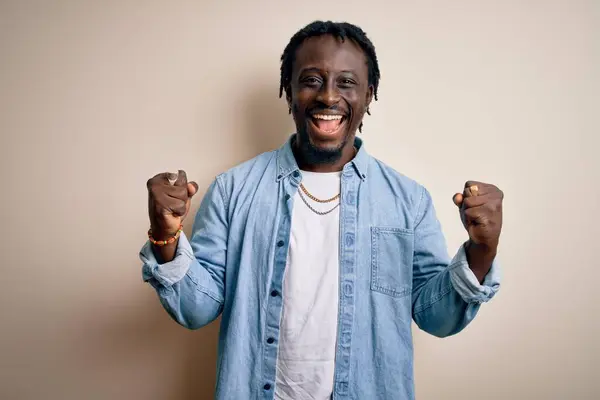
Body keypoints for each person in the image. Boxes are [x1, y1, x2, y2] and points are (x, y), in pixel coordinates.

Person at [140, 20, 503, 400]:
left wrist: (482, 252)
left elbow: (438, 318)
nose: (329, 97)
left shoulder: (408, 200)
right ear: (289, 90)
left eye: (346, 82)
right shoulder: (233, 190)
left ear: (369, 94)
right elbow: (197, 310)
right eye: (311, 80)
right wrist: (166, 237)